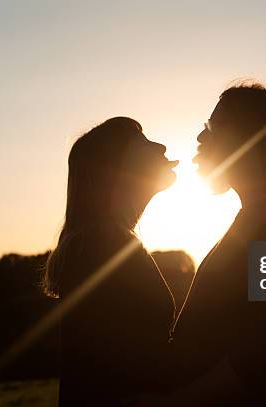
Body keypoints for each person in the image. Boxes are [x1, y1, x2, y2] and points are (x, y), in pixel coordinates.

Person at [171, 83, 266, 406]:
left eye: (213, 129)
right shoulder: (254, 217)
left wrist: (173, 403)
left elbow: (261, 361)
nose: (201, 139)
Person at [43, 117, 178, 406]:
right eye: (141, 143)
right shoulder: (101, 244)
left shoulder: (100, 242)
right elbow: (114, 363)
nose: (162, 146)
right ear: (115, 169)